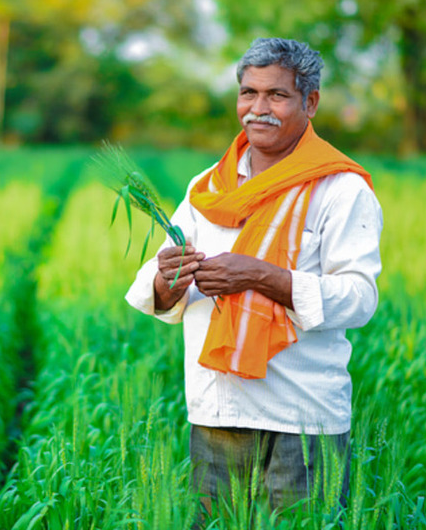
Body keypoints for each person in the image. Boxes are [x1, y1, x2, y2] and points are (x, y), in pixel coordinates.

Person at [125, 38, 383, 519]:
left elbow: (360, 298)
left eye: (276, 96)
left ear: (310, 103)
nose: (257, 109)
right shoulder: (208, 186)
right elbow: (159, 284)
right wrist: (167, 279)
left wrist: (264, 277)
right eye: (248, 93)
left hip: (303, 415)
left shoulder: (340, 189)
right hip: (218, 409)